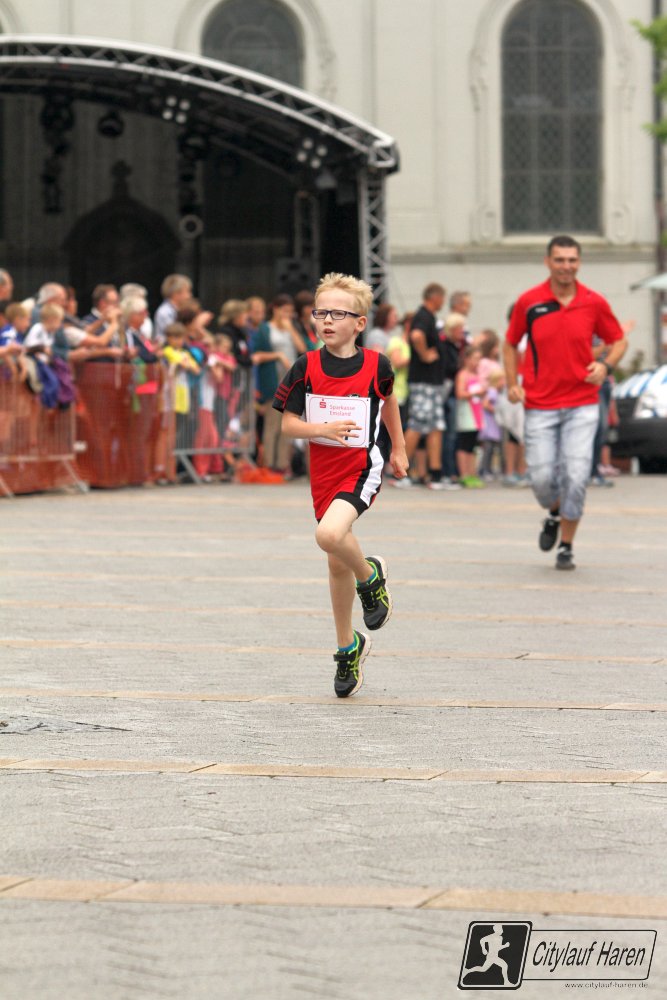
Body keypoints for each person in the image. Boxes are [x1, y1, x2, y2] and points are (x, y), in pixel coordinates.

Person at [273, 272, 408, 698]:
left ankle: (370, 577)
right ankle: (348, 646)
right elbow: (288, 425)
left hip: (362, 466)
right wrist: (322, 429)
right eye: (321, 313)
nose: (327, 320)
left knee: (329, 535)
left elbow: (388, 402)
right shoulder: (305, 366)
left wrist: (399, 449)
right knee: (335, 561)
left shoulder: (376, 365)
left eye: (338, 314)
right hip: (323, 472)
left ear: (360, 323)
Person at [503, 235, 627, 570]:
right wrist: (512, 383)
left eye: (572, 260)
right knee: (541, 478)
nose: (566, 266)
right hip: (540, 404)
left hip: (582, 402)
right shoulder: (529, 302)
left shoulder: (593, 301)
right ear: (548, 262)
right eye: (559, 259)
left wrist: (606, 366)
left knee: (576, 474)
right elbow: (510, 343)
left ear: (579, 263)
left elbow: (618, 340)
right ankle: (555, 511)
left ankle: (567, 547)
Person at [394, 282, 447, 489]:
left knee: (435, 426)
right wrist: (424, 355)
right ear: (435, 297)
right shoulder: (423, 316)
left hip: (431, 383)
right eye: (442, 298)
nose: (442, 302)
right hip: (424, 382)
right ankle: (401, 472)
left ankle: (435, 474)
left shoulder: (428, 316)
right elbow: (416, 335)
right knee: (417, 424)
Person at [455, 345, 485, 488]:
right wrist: (474, 393)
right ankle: (464, 474)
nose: (477, 362)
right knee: (464, 444)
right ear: (466, 359)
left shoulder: (476, 375)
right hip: (467, 414)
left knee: (473, 445)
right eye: (475, 359)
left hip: (477, 414)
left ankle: (472, 473)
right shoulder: (463, 375)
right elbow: (460, 393)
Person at [154, 274, 193, 345]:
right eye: (187, 291)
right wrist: (196, 324)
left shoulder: (179, 310)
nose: (189, 296)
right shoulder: (165, 312)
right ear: (176, 293)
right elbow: (175, 335)